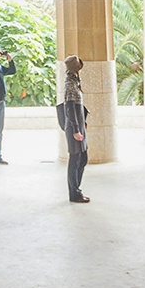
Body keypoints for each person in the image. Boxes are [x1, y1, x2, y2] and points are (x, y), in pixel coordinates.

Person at [60, 55, 90, 203]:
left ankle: (76, 190)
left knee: (82, 158)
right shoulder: (70, 84)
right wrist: (76, 129)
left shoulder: (75, 81)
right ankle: (74, 193)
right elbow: (70, 109)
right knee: (75, 160)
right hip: (74, 128)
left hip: (79, 125)